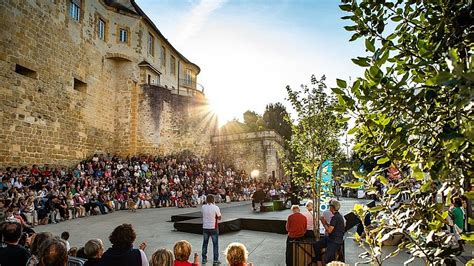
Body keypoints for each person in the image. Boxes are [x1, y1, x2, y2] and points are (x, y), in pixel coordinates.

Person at [314, 199, 345, 265]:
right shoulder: (339, 216)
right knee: (317, 245)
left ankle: (322, 262)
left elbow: (329, 231)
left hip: (335, 241)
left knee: (326, 258)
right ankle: (319, 262)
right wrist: (325, 222)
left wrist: (323, 223)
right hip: (332, 238)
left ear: (332, 208)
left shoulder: (335, 217)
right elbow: (333, 227)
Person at [201, 194, 221, 265]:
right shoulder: (216, 207)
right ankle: (215, 260)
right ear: (213, 200)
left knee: (205, 243)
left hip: (205, 227)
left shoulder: (203, 207)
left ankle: (204, 259)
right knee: (215, 244)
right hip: (213, 227)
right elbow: (219, 217)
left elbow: (202, 214)